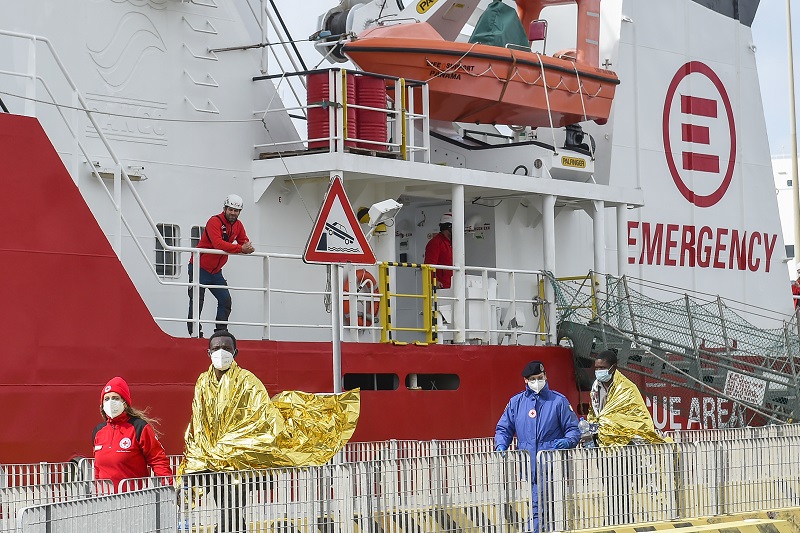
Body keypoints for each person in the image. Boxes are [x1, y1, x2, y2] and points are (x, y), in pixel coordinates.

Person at [180, 331, 359, 532]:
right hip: (213, 461)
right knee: (222, 504)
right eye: (216, 348)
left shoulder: (247, 381)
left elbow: (260, 418)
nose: (221, 352)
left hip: (242, 461)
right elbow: (199, 420)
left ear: (235, 352)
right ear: (208, 353)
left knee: (233, 507)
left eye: (226, 348)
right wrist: (198, 456)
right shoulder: (203, 382)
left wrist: (228, 447)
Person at [495, 361, 580, 533]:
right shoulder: (516, 403)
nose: (537, 382)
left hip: (551, 465)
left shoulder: (558, 401)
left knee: (539, 505)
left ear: (546, 376)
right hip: (528, 466)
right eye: (533, 379)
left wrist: (567, 441)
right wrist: (501, 445)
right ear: (525, 380)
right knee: (542, 507)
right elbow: (504, 428)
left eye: (540, 378)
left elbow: (573, 429)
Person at [187, 194, 255, 337]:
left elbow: (244, 241)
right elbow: (218, 244)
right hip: (199, 267)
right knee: (197, 301)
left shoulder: (238, 225)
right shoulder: (214, 221)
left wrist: (248, 248)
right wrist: (241, 249)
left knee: (225, 300)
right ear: (225, 208)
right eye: (231, 209)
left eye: (236, 211)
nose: (233, 213)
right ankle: (194, 334)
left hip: (216, 271)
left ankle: (220, 332)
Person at [93, 376, 172, 493]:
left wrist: (169, 489)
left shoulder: (139, 427)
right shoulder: (98, 431)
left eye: (115, 398)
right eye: (107, 399)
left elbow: (158, 460)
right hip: (105, 502)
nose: (110, 402)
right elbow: (97, 468)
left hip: (134, 502)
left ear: (124, 403)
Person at [587, 350, 667, 446]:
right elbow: (594, 412)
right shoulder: (595, 387)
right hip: (601, 441)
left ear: (613, 368)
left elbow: (636, 418)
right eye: (597, 368)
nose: (599, 371)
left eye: (603, 368)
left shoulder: (627, 388)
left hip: (625, 443)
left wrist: (607, 423)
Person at [424, 212, 453, 289]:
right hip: (442, 287)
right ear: (449, 227)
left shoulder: (452, 243)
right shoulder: (435, 243)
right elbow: (429, 264)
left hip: (453, 285)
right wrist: (434, 281)